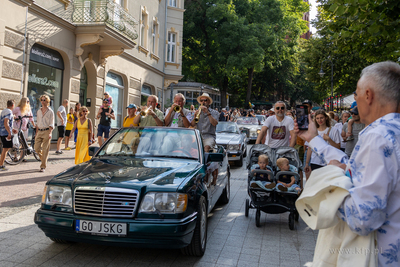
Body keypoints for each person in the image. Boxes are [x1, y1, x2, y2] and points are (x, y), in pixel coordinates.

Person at [296, 61, 400, 266]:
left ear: (368, 95)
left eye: (357, 93)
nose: (356, 100)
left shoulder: (377, 137)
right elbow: (352, 166)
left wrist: (329, 186)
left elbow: (363, 218)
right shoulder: (390, 132)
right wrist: (313, 139)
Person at [35, 95, 54, 172]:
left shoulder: (50, 111)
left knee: (45, 149)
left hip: (47, 131)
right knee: (36, 148)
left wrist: (50, 133)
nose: (42, 102)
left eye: (44, 100)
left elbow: (51, 123)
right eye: (42, 100)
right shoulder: (38, 111)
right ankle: (44, 158)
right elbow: (37, 123)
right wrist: (36, 133)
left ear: (47, 102)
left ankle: (43, 166)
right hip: (39, 131)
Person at [0, 100, 18, 171]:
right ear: (13, 105)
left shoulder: (3, 111)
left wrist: (12, 129)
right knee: (5, 150)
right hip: (5, 133)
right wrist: (9, 133)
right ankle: (1, 165)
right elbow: (6, 123)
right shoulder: (10, 112)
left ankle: (1, 164)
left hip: (2, 132)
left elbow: (5, 123)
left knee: (5, 149)